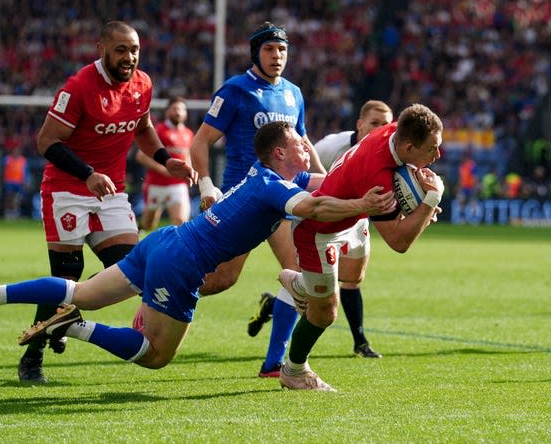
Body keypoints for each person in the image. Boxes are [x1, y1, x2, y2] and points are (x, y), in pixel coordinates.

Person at [0, 122, 395, 378]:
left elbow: (326, 183)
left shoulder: (272, 177)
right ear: (279, 152)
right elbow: (316, 204)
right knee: (155, 355)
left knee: (81, 290)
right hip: (182, 263)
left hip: (164, 242)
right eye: (299, 140)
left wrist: (374, 182)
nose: (306, 145)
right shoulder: (275, 186)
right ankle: (75, 329)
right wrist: (362, 205)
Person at [19, 21, 196, 384]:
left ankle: (64, 316)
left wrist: (166, 160)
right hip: (68, 189)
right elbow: (46, 142)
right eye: (121, 50)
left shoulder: (142, 84)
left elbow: (143, 128)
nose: (129, 57)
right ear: (101, 48)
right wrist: (86, 173)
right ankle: (32, 355)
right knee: (65, 276)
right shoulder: (79, 86)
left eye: (134, 50)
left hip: (110, 191)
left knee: (132, 269)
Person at [278, 103, 445, 391]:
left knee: (354, 275)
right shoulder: (377, 178)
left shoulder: (393, 131)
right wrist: (430, 201)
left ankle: (303, 286)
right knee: (326, 312)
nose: (437, 155)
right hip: (320, 230)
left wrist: (419, 209)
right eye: (432, 148)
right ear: (407, 147)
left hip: (354, 215)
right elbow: (398, 242)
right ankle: (293, 370)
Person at [178, 22, 325, 338]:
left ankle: (276, 365)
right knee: (222, 279)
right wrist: (206, 184)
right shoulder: (235, 90)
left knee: (300, 274)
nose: (277, 56)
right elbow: (200, 141)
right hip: (243, 198)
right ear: (255, 53)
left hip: (284, 196)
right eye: (269, 49)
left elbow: (303, 140)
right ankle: (162, 292)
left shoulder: (293, 93)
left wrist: (325, 176)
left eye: (282, 49)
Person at [252, 100, 394, 378]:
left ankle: (280, 321)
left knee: (347, 278)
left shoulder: (383, 153)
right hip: (302, 210)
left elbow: (323, 183)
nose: (381, 129)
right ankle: (277, 362)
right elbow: (303, 180)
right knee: (311, 282)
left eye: (386, 124)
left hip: (334, 212)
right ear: (360, 124)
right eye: (375, 123)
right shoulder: (333, 146)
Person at [135, 96, 195, 230]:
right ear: (167, 111)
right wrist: (163, 169)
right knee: (148, 225)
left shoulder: (188, 133)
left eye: (181, 109)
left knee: (181, 222)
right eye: (174, 109)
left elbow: (187, 156)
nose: (178, 112)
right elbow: (141, 156)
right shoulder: (158, 130)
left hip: (178, 185)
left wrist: (189, 171)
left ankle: (176, 250)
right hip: (156, 184)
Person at [2, 144, 29, 219]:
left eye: (18, 150)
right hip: (9, 181)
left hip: (19, 182)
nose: (16, 151)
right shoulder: (6, 159)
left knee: (17, 199)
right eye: (15, 150)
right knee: (9, 197)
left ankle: (15, 213)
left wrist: (25, 181)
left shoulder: (23, 160)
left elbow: (26, 172)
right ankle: (8, 213)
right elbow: (2, 170)